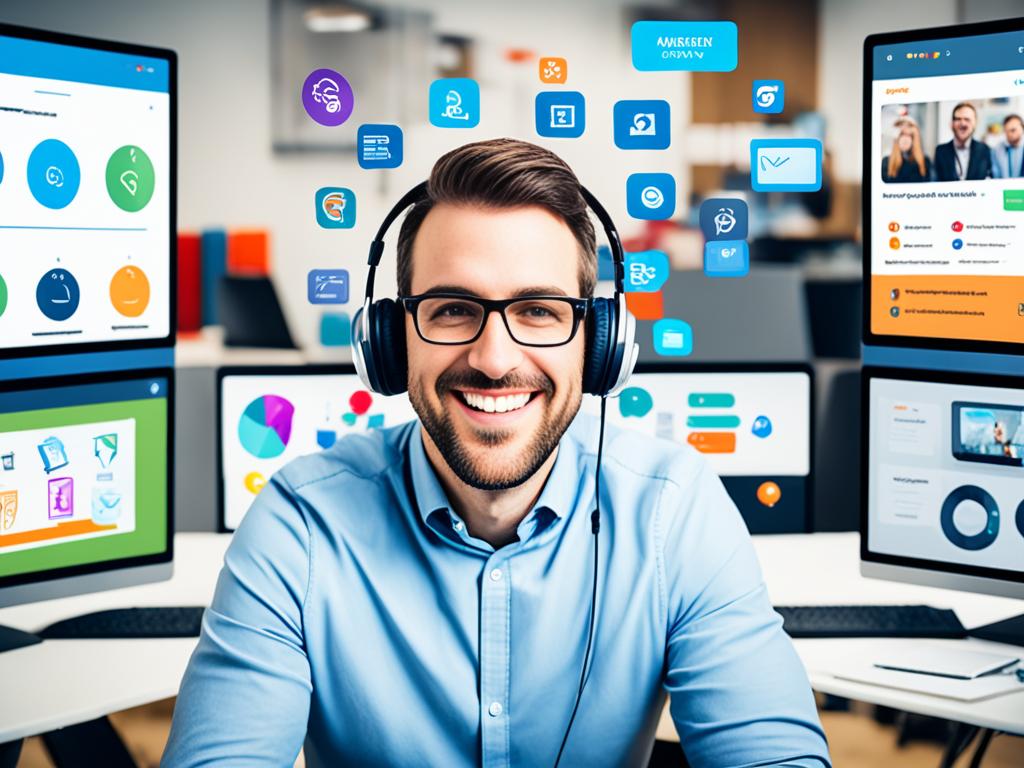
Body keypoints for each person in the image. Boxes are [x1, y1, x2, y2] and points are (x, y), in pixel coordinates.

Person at [162, 139, 831, 767]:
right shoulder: (300, 524)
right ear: (392, 339)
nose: (494, 359)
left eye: (539, 310)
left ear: (598, 341)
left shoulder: (672, 512)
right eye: (453, 308)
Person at [934, 102, 992, 181]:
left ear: (975, 123)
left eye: (967, 119)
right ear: (952, 123)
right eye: (958, 119)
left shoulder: (985, 150)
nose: (962, 123)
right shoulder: (940, 151)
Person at [881, 117, 931, 182]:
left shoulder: (925, 162)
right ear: (896, 139)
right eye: (901, 135)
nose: (905, 139)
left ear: (914, 139)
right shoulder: (886, 162)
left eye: (909, 135)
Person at [991, 114, 1024, 178]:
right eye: (1006, 131)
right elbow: (996, 175)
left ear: (1022, 128)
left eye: (1013, 130)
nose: (1010, 134)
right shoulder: (996, 150)